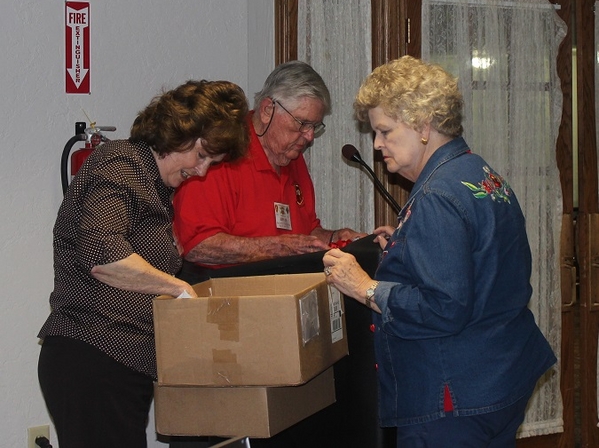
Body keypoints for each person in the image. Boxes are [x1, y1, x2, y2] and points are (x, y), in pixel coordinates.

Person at [322, 56, 557, 448]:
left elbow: (442, 307)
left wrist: (364, 286)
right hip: (499, 375)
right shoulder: (477, 172)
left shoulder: (436, 196)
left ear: (422, 125)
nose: (377, 144)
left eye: (384, 131)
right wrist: (406, 241)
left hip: (456, 394)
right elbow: (480, 257)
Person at [37, 80, 249, 448]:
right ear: (179, 130)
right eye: (201, 156)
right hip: (93, 355)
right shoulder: (122, 163)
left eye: (211, 164)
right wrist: (175, 286)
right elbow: (103, 254)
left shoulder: (154, 187)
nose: (201, 172)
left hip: (122, 366)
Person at [173, 61, 365, 279]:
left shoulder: (292, 157)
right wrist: (276, 248)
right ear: (267, 110)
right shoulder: (221, 152)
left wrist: (335, 238)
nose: (309, 136)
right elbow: (198, 245)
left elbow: (306, 232)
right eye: (302, 123)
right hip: (225, 299)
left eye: (314, 126)